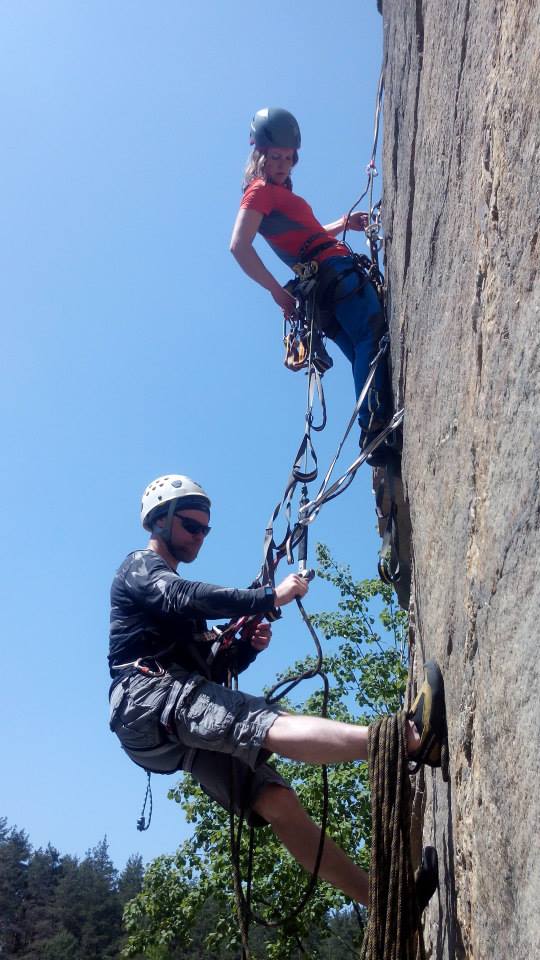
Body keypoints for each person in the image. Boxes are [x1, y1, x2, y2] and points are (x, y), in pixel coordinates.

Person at [109, 473, 445, 908]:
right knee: (263, 722)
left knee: (277, 801)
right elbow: (183, 596)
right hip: (145, 696)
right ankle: (411, 740)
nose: (199, 537)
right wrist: (270, 597)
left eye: (204, 530)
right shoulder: (139, 567)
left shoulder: (174, 613)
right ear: (159, 521)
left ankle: (385, 903)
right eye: (190, 527)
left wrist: (243, 649)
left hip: (161, 728)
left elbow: (209, 671)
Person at [230, 107, 393, 464]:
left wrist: (342, 223)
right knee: (371, 335)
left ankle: (375, 428)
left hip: (321, 285)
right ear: (258, 153)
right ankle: (374, 427)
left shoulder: (277, 196)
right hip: (331, 273)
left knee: (362, 352)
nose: (283, 165)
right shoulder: (259, 192)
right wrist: (277, 291)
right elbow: (239, 245)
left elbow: (309, 236)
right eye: (275, 157)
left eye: (289, 158)